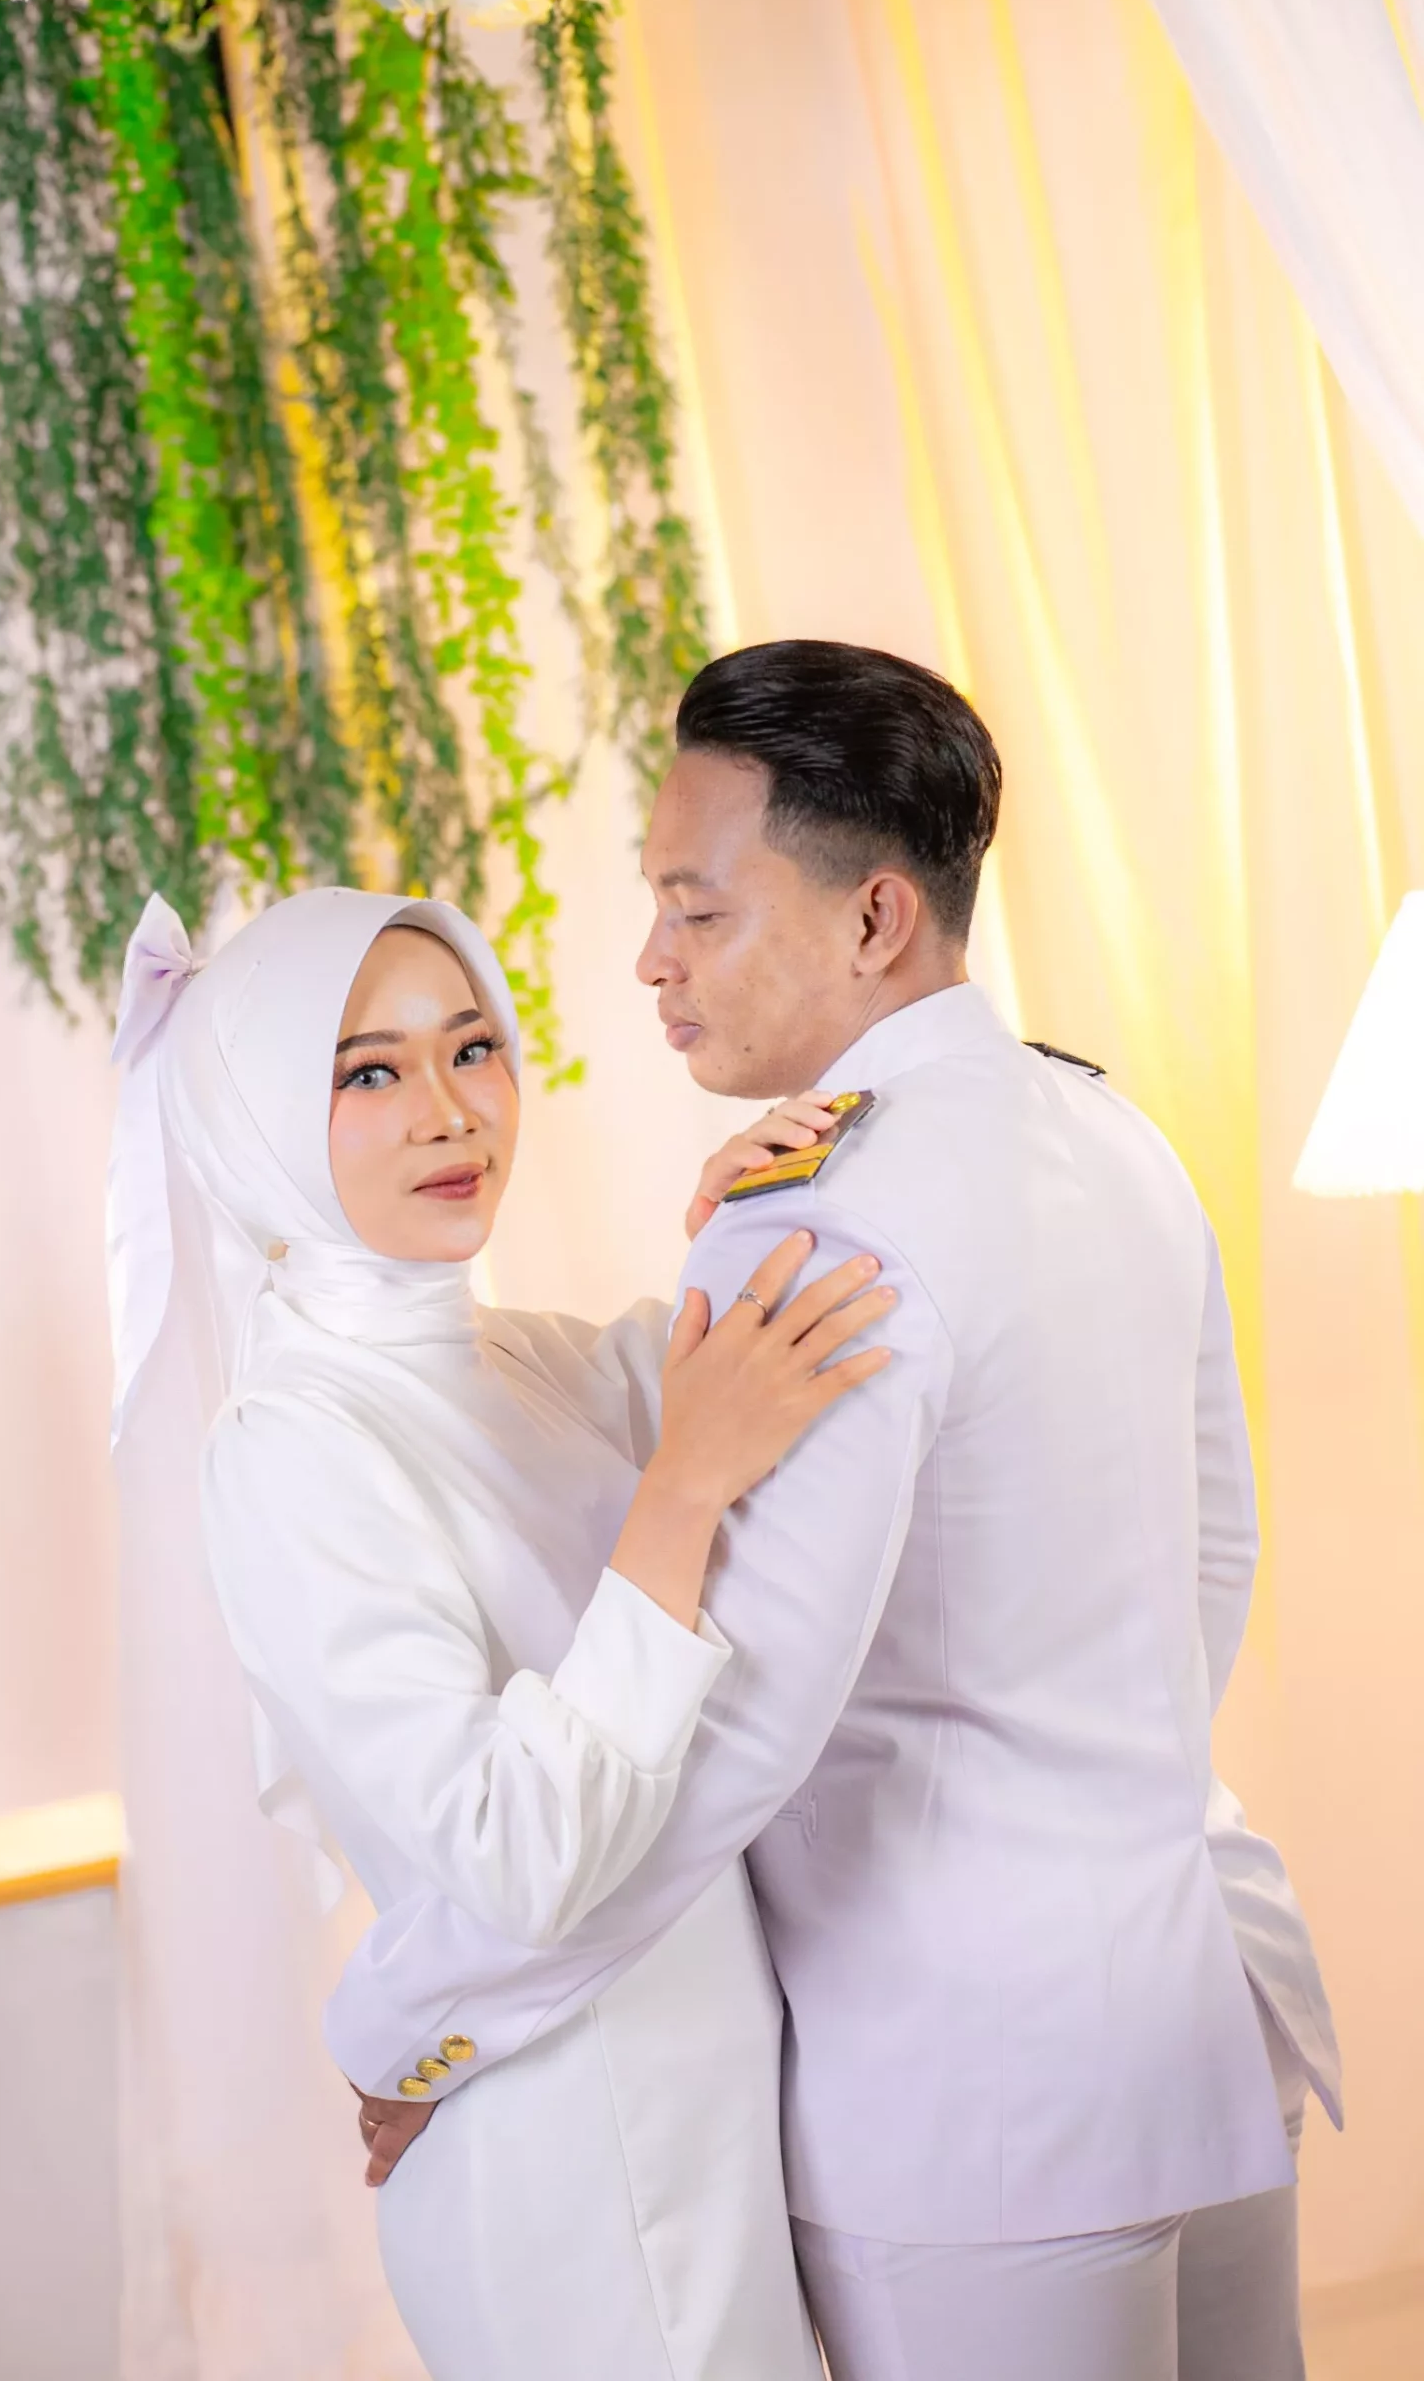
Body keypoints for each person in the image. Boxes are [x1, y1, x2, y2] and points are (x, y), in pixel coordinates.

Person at [327, 641, 1340, 2381]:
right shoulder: (1109, 1131)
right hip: (1195, 1999)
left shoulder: (819, 1219)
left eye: (696, 908)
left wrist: (419, 2017)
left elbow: (732, 1730)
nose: (649, 959)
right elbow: (1211, 1554)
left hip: (974, 2083)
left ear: (874, 916)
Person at [108, 880, 897, 2381]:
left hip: (693, 2105)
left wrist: (750, 1217)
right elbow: (513, 1850)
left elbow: (746, 1380)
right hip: (572, 2163)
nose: (450, 1111)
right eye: (367, 1073)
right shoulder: (292, 1445)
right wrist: (680, 1491)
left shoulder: (520, 1362)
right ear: (256, 1122)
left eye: (472, 1048)